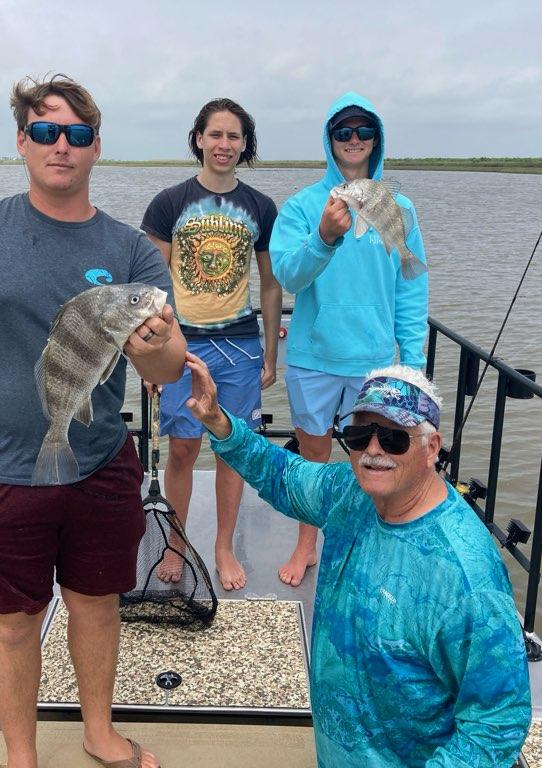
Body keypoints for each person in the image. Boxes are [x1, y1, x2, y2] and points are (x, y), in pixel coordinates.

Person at [0, 74, 185, 768]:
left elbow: (168, 368)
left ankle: (98, 732)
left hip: (102, 461)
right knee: (11, 623)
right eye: (46, 131)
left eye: (77, 134)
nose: (62, 146)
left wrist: (159, 347)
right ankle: (21, 754)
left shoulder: (132, 250)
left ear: (96, 148)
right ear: (22, 141)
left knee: (97, 606)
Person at [185, 353, 531, 767]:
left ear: (431, 448)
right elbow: (286, 476)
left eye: (393, 438)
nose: (372, 450)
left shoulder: (465, 576)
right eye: (359, 434)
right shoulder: (351, 489)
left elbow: (497, 722)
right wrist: (218, 421)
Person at [269, 91, 429, 588]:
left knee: (377, 458)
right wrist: (323, 236)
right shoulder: (302, 206)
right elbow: (287, 276)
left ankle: (374, 544)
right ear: (329, 141)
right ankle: (306, 545)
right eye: (344, 132)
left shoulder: (399, 207)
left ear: (376, 141)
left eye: (364, 131)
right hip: (314, 358)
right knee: (314, 455)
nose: (354, 140)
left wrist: (414, 364)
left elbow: (411, 294)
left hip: (376, 360)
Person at [140, 98, 281, 591]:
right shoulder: (168, 203)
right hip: (182, 345)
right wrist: (150, 358)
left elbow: (269, 284)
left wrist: (270, 352)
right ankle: (176, 544)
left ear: (245, 145)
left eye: (234, 136)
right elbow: (151, 287)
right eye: (215, 134)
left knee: (232, 449)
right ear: (198, 138)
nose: (224, 145)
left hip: (240, 346)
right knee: (182, 449)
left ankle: (222, 546)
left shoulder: (261, 207)